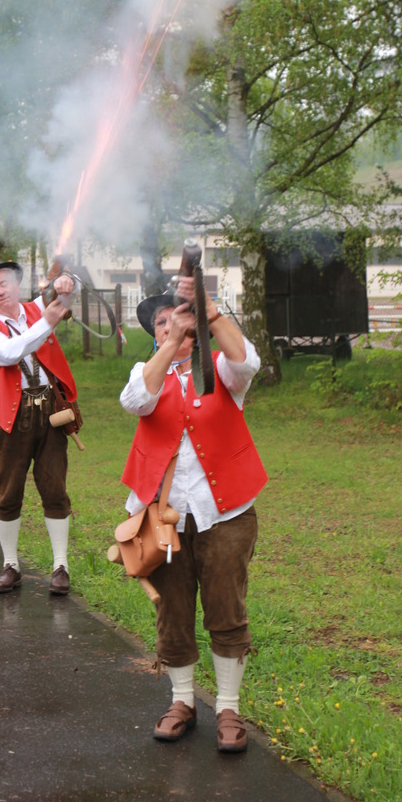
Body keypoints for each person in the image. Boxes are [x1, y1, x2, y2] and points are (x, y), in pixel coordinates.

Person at [119, 275, 268, 753]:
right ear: (154, 334)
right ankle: (182, 700)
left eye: (179, 317)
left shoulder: (220, 367)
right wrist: (171, 343)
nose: (171, 327)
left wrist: (212, 315)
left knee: (227, 611)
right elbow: (135, 401)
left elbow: (249, 361)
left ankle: (228, 707)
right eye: (161, 323)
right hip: (163, 517)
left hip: (225, 513)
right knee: (173, 612)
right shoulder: (147, 369)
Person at [0, 258, 77, 596]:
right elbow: (11, 352)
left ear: (16, 284)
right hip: (9, 418)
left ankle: (61, 566)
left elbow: (64, 302)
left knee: (55, 489)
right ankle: (11, 565)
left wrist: (66, 284)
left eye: (3, 284)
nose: (0, 292)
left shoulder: (36, 307)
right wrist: (46, 320)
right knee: (8, 492)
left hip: (49, 411)